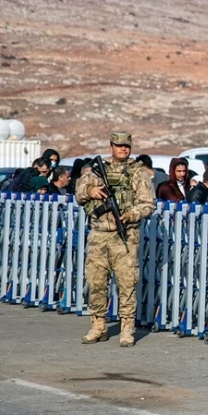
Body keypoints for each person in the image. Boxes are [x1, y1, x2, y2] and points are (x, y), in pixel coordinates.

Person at [75, 132, 155, 347]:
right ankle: (97, 325)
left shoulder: (137, 172)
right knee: (96, 282)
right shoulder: (95, 170)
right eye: (119, 145)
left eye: (126, 146)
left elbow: (148, 203)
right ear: (111, 146)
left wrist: (132, 214)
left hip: (126, 236)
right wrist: (91, 190)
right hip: (99, 235)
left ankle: (127, 328)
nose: (123, 149)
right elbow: (79, 193)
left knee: (127, 283)